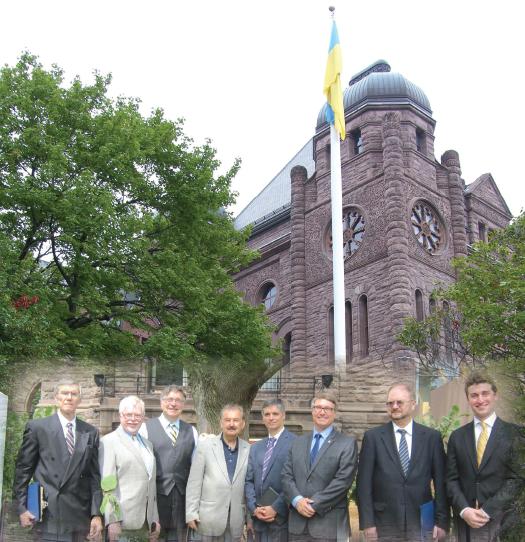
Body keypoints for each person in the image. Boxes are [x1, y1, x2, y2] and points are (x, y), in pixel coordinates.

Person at [356, 382, 449, 541]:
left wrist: (442, 522)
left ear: (413, 404)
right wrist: (367, 523)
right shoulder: (373, 438)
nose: (394, 406)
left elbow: (441, 483)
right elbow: (363, 484)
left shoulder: (431, 438)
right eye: (390, 403)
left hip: (422, 521)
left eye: (400, 402)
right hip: (384, 523)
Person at [13, 380, 103, 542]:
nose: (69, 398)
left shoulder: (90, 432)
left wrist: (96, 514)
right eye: (64, 393)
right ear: (56, 398)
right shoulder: (38, 428)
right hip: (49, 516)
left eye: (74, 394)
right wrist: (21, 508)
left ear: (79, 400)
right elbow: (23, 471)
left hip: (79, 518)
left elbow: (95, 477)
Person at [447, 372, 523, 542]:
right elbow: (451, 479)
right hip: (465, 522)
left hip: (501, 520)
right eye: (474, 395)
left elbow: (517, 478)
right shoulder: (457, 437)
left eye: (485, 393)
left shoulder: (514, 434)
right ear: (468, 399)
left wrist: (488, 510)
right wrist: (464, 510)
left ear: (495, 395)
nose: (480, 400)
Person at [281, 390, 357, 542]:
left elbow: (343, 482)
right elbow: (286, 476)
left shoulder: (347, 443)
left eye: (327, 408)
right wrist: (297, 501)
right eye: (318, 407)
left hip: (328, 525)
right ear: (312, 411)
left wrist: (313, 505)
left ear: (334, 413)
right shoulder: (297, 442)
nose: (322, 412)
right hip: (297, 525)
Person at [140, 385, 198, 542]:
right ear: (161, 403)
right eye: (169, 399)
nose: (173, 404)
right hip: (155, 500)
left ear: (183, 405)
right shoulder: (145, 429)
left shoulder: (192, 431)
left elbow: (196, 469)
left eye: (178, 400)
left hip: (182, 500)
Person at [99, 395, 160, 541]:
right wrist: (112, 520)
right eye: (128, 415)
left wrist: (155, 518)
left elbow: (151, 484)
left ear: (143, 417)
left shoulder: (148, 444)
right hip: (122, 522)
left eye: (137, 415)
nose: (133, 419)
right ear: (120, 416)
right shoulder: (108, 442)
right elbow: (107, 487)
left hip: (145, 523)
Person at [186, 403, 250, 542]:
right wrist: (191, 513)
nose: (231, 424)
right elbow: (194, 482)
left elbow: (250, 486)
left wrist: (249, 518)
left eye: (236, 420)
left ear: (243, 424)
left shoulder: (249, 450)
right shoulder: (205, 446)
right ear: (221, 423)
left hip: (234, 521)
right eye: (227, 420)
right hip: (206, 520)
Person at [245, 399, 296, 542]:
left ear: (283, 415)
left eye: (275, 413)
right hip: (258, 519)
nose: (271, 417)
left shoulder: (296, 443)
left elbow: (295, 480)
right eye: (267, 414)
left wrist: (275, 507)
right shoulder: (255, 448)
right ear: (263, 418)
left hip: (281, 519)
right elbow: (249, 480)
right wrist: (254, 508)